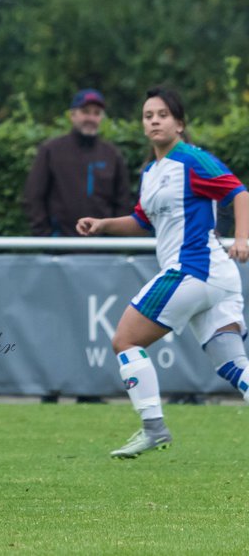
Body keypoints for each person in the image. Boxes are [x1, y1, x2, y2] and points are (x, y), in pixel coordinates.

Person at [77, 86, 249, 458]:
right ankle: (153, 429)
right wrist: (104, 224)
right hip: (215, 279)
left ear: (180, 124)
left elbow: (239, 192)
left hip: (193, 270)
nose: (154, 120)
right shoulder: (152, 172)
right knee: (235, 366)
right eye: (148, 115)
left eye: (162, 115)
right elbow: (143, 220)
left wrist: (243, 238)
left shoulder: (191, 160)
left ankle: (153, 427)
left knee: (125, 340)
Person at [23, 89, 133, 238]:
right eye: (85, 111)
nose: (91, 118)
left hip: (104, 250)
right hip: (60, 247)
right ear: (72, 115)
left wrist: (113, 237)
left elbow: (123, 201)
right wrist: (46, 236)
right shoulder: (51, 150)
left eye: (96, 113)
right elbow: (33, 197)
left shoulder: (112, 154)